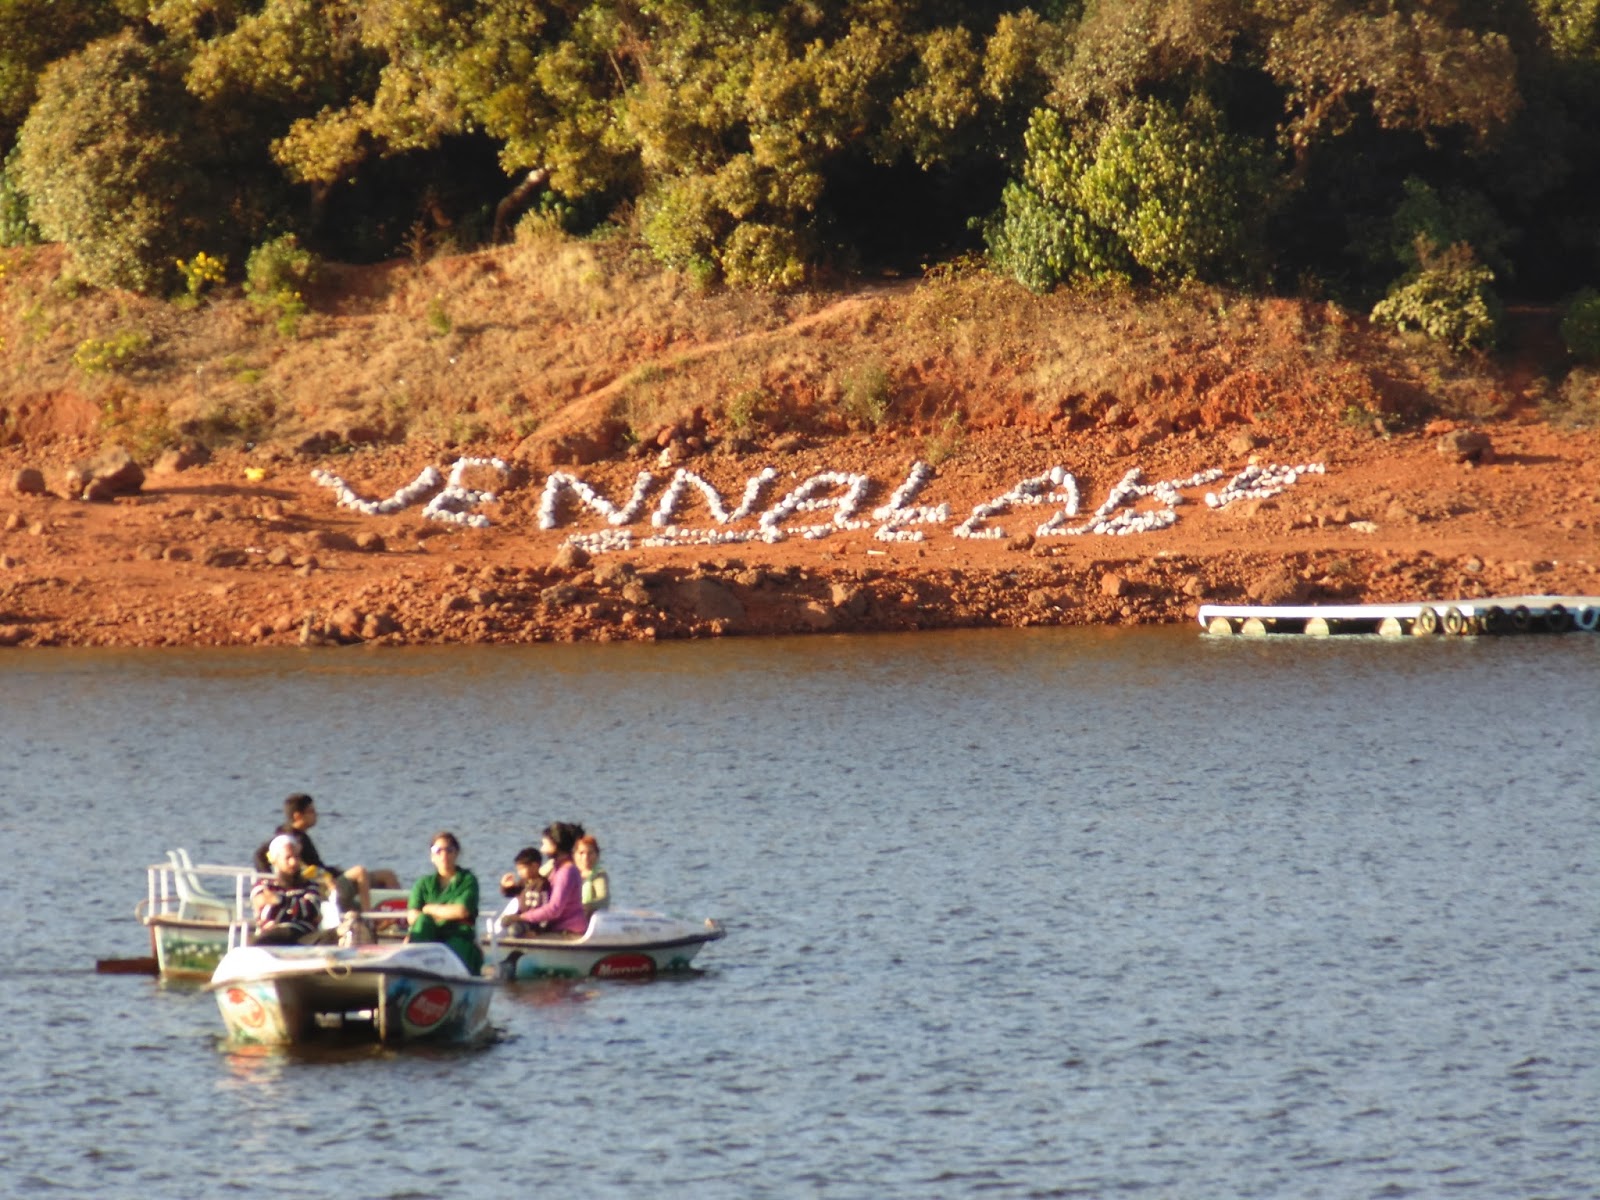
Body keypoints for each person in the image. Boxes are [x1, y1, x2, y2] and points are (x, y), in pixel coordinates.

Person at [252, 793, 399, 914]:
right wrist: (270, 879)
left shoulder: (298, 835)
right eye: (311, 812)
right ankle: (369, 918)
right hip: (323, 886)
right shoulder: (289, 838)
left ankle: (392, 914)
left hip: (327, 877)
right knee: (360, 872)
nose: (316, 815)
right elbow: (259, 855)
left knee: (387, 875)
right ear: (298, 816)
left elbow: (315, 865)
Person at [406, 831, 482, 973]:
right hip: (429, 935)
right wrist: (442, 914)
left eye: (449, 850)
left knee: (453, 951)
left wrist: (429, 909)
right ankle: (414, 971)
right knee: (422, 922)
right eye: (438, 851)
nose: (444, 855)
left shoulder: (468, 880)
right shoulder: (423, 883)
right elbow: (412, 917)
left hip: (458, 936)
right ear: (432, 856)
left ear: (456, 853)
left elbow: (461, 911)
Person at [505, 822, 588, 936]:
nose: (542, 850)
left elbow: (554, 909)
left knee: (516, 932)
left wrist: (521, 917)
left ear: (555, 845)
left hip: (568, 930)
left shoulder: (566, 872)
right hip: (556, 926)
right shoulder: (556, 867)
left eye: (544, 844)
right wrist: (510, 888)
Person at [250, 834, 324, 945]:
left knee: (334, 935)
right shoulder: (264, 886)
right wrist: (298, 909)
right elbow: (267, 912)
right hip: (273, 936)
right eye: (288, 858)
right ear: (275, 861)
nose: (293, 862)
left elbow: (312, 908)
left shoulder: (310, 885)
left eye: (297, 857)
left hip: (305, 936)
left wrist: (281, 901)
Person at [498, 846, 547, 933]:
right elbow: (511, 893)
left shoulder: (542, 884)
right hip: (520, 917)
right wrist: (506, 887)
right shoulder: (523, 882)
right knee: (503, 921)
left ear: (535, 866)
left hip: (533, 923)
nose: (519, 872)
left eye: (522, 869)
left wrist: (539, 930)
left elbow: (546, 908)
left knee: (514, 930)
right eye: (518, 870)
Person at [574, 834, 610, 916]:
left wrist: (582, 906)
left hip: (588, 917)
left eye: (590, 853)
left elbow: (603, 900)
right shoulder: (568, 872)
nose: (585, 857)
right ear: (574, 855)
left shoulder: (599, 875)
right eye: (581, 853)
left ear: (597, 855)